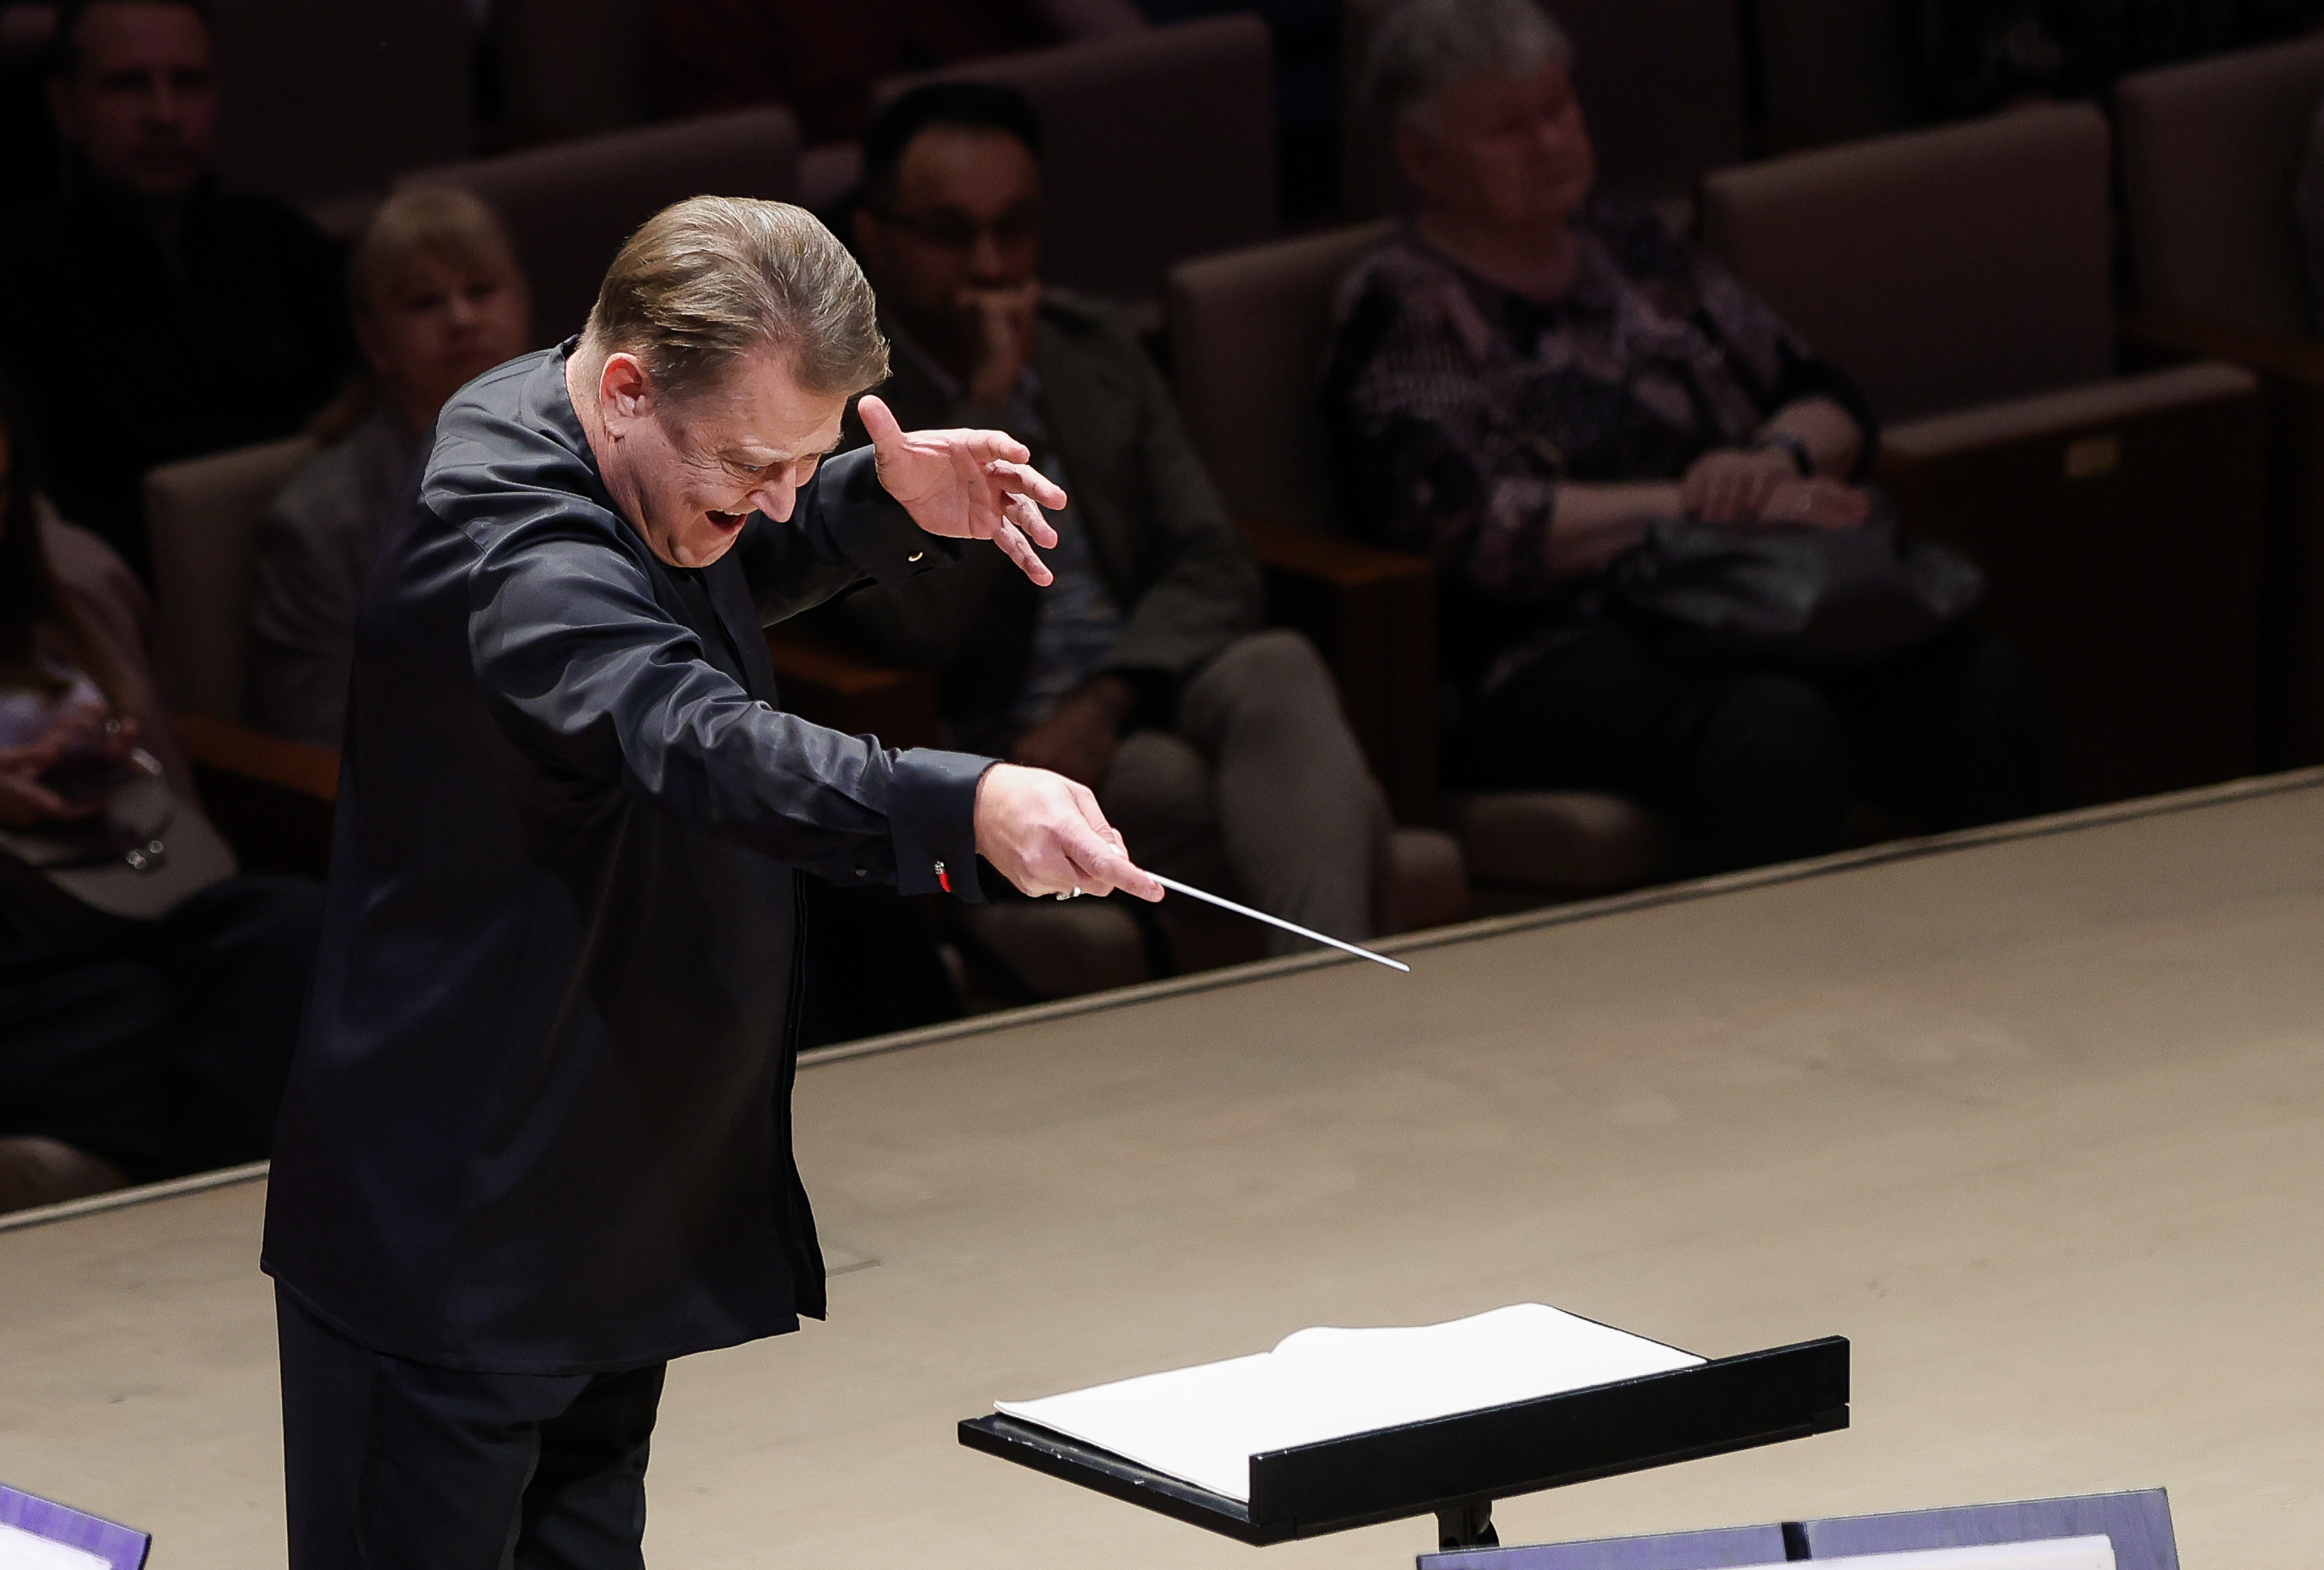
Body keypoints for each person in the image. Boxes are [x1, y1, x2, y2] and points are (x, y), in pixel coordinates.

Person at [260, 194, 1162, 1568]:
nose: (777, 496)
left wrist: (876, 502)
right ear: (625, 385)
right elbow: (691, 733)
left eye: (810, 458)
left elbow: (707, 540)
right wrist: (957, 800)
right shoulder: (509, 552)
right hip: (451, 1234)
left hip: (602, 1192)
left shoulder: (603, 430)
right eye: (758, 459)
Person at [1323, 0, 2066, 878]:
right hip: (1555, 649)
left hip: (1748, 597)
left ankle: (2003, 965)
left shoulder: (1634, 245)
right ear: (1422, 160)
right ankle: (1756, 1007)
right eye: (1509, 128)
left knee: (1986, 689)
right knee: (1775, 731)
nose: (1551, 142)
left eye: (1558, 110)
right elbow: (1464, 524)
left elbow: (1825, 398)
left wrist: (1773, 461)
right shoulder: (1402, 305)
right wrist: (1694, 503)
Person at [839, 82, 1397, 957]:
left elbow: (1215, 561)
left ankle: (1321, 992)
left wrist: (1106, 701)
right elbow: (918, 627)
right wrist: (992, 405)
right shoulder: (849, 408)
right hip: (1005, 737)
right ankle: (1336, 985)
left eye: (1013, 228)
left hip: (1144, 688)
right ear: (874, 238)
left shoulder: (1087, 350)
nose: (990, 265)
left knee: (1276, 665)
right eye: (952, 234)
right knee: (1320, 806)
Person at [0, 372, 322, 1215]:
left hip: (114, 905)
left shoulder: (61, 591)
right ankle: (244, 1194)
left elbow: (180, 827)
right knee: (205, 1022)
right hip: (27, 976)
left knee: (290, 928)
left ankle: (226, 1192)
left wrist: (106, 754)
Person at [0, 0, 346, 578]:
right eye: (129, 85)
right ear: (65, 106)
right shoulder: (18, 277)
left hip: (320, 575)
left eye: (187, 83)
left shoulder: (283, 246)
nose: (165, 114)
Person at [248, 187, 534, 747]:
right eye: (424, 302)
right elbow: (323, 738)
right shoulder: (320, 526)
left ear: (522, 304)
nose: (461, 318)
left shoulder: (609, 452)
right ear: (375, 340)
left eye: (481, 290)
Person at [653, 0, 1142, 146]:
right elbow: (745, 181)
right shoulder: (718, 15)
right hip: (843, 271)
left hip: (1056, 210)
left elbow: (1153, 84)